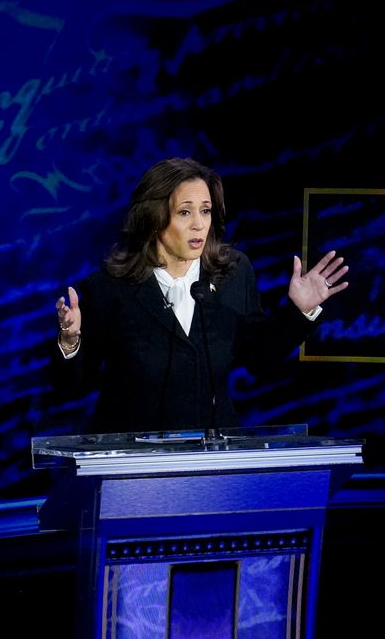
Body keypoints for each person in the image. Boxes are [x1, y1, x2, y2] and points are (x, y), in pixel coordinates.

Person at [51, 157, 350, 434]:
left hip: (213, 456)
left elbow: (258, 359)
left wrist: (298, 312)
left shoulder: (233, 273)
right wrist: (70, 341)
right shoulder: (108, 288)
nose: (199, 224)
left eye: (205, 210)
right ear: (154, 218)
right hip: (134, 464)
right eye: (185, 212)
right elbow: (74, 386)